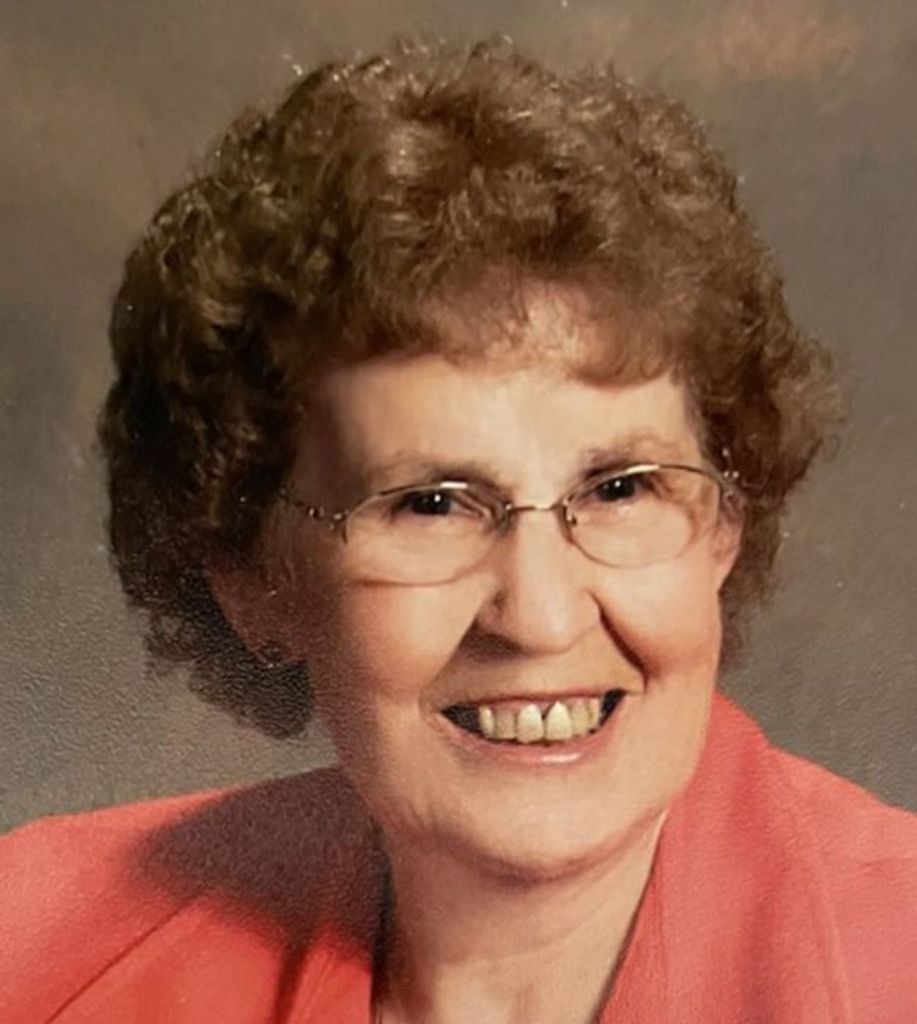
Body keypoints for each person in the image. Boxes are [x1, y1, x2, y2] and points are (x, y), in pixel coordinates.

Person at [2, 37, 915, 1024]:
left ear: (721, 528)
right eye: (430, 504)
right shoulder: (38, 947)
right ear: (252, 577)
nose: (539, 615)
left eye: (619, 489)